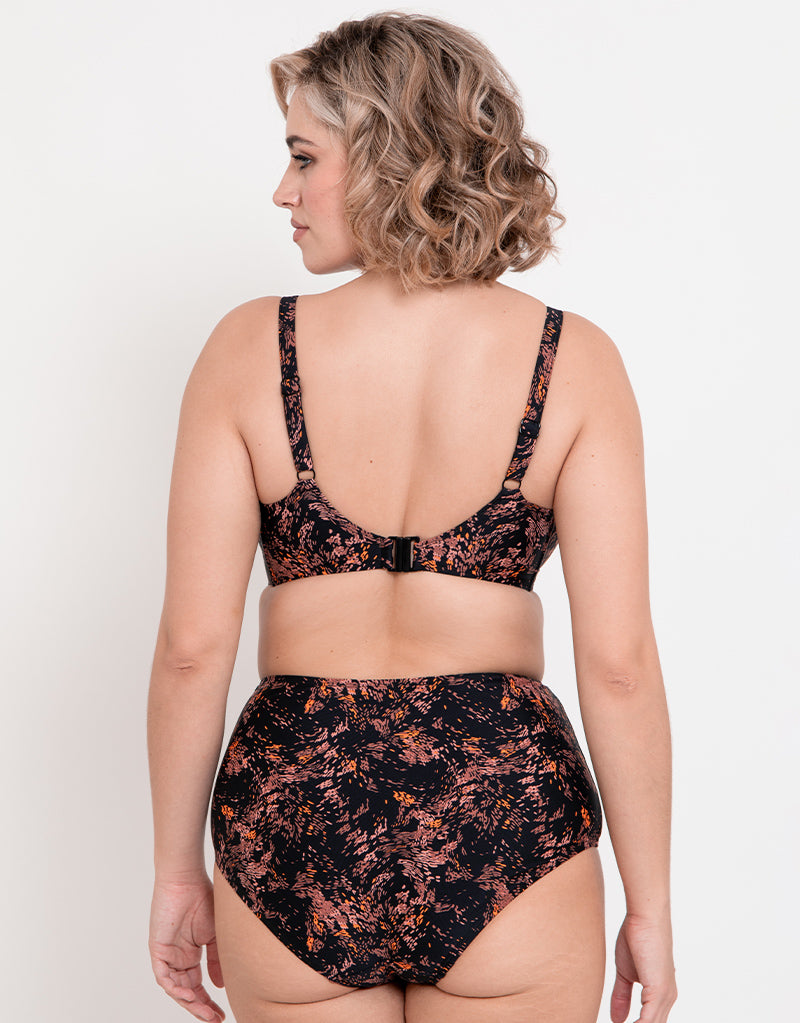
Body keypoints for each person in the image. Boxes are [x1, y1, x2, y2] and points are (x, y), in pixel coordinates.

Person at [147, 11, 676, 1023]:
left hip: (294, 811)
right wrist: (648, 903)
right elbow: (617, 664)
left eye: (305, 157)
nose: (283, 191)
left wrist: (177, 873)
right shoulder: (572, 361)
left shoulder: (247, 350)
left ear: (392, 156)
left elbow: (191, 650)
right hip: (506, 814)